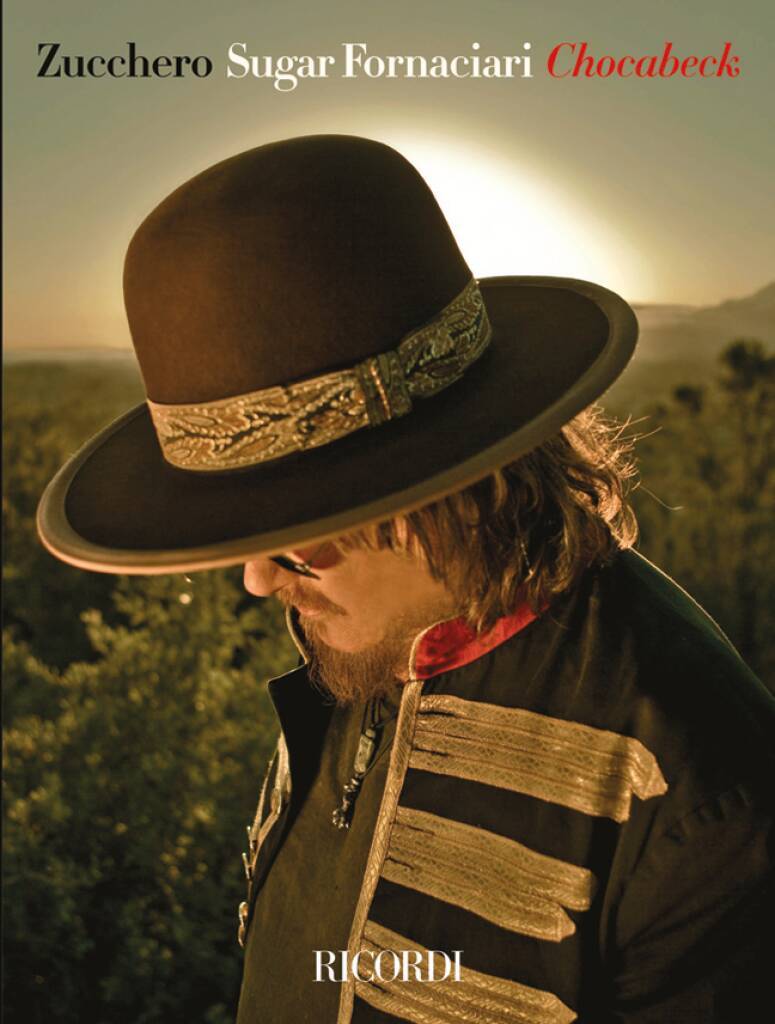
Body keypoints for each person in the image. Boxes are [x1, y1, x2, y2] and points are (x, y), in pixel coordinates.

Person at [38, 135, 773, 1024]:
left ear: (459, 483)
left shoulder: (700, 792)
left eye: (299, 539)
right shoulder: (360, 637)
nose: (259, 582)